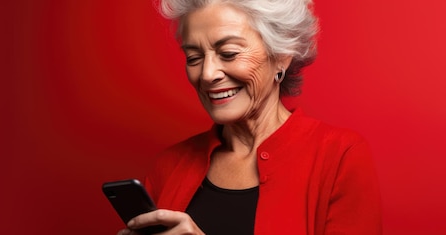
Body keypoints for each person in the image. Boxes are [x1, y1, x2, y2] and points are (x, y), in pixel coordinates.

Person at [117, 0, 382, 234]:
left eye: (228, 53)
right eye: (194, 57)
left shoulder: (339, 156)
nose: (207, 74)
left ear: (281, 55)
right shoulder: (169, 165)